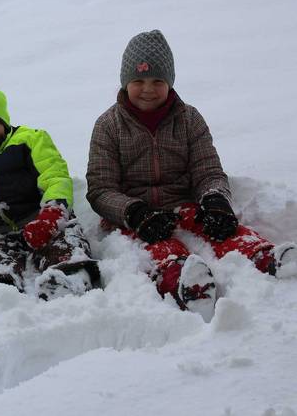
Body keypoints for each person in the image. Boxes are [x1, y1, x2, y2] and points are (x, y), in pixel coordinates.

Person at [86, 29, 297, 319]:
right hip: (133, 218)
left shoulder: (189, 119)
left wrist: (215, 200)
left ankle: (265, 256)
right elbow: (100, 189)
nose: (148, 89)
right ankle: (184, 283)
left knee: (222, 228)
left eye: (157, 81)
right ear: (125, 83)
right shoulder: (108, 126)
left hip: (182, 204)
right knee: (159, 248)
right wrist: (134, 213)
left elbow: (208, 170)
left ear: (170, 83)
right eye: (138, 81)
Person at [0, 80, 101, 310]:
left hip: (45, 220)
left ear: (4, 122)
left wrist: (53, 213)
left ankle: (70, 278)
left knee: (65, 245)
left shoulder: (29, 141)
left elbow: (55, 176)